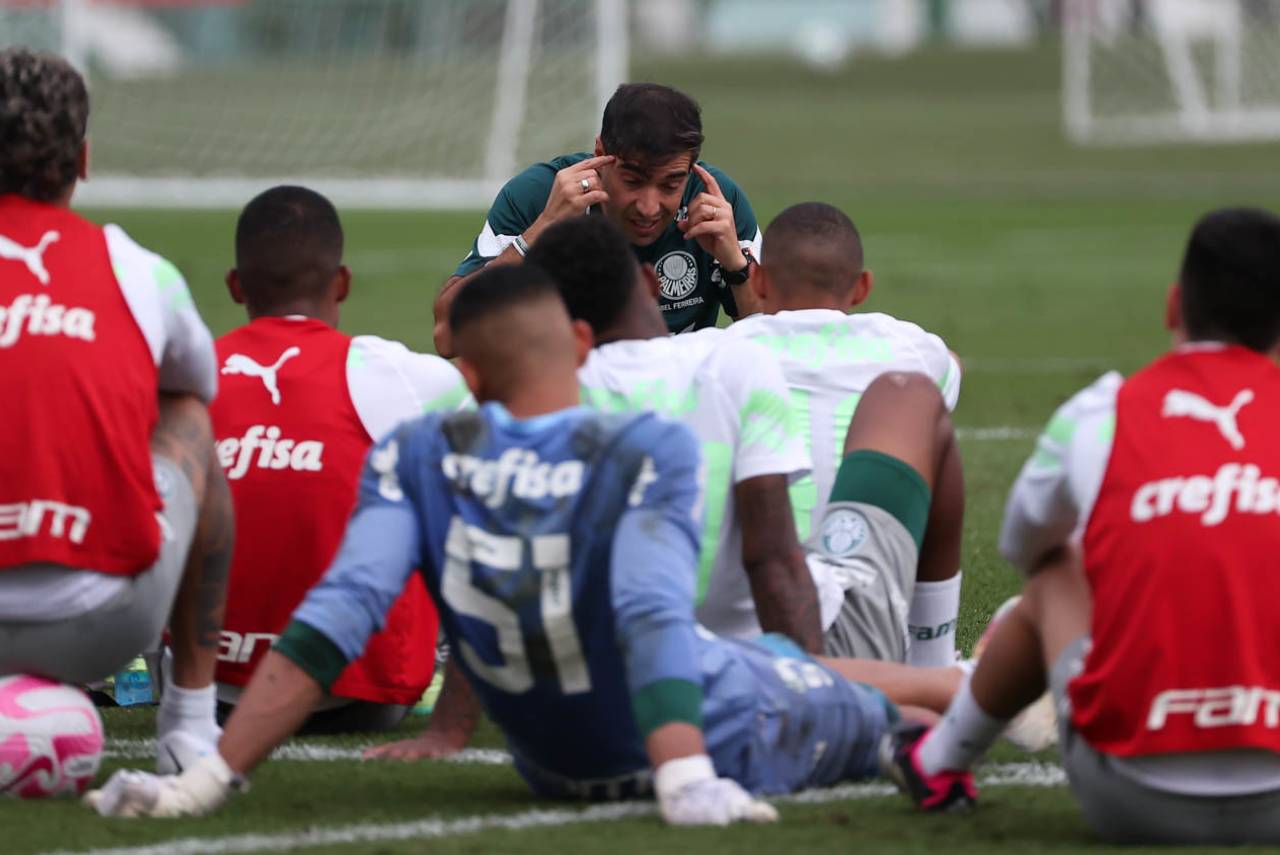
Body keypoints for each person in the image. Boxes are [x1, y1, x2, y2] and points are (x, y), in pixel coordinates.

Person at [86, 265, 965, 822]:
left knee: (773, 664)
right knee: (911, 719)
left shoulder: (422, 451)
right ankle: (973, 689)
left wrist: (203, 778)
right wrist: (686, 774)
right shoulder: (639, 447)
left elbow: (336, 614)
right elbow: (651, 612)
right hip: (708, 723)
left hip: (553, 760)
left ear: (466, 375)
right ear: (581, 344)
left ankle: (958, 680)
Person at [884, 207, 1280, 844]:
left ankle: (938, 762)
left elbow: (1024, 545)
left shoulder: (1104, 410)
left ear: (1175, 305)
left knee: (1056, 570)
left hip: (1130, 796)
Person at [371, 215, 817, 761]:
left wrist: (448, 732)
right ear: (651, 285)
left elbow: (492, 571)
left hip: (578, 711)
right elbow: (775, 559)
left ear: (552, 314)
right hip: (729, 689)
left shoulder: (523, 396)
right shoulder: (736, 361)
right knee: (905, 702)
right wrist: (812, 696)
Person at [0, 47, 229, 772]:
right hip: (97, 621)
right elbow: (200, 381)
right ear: (85, 159)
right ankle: (188, 725)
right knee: (189, 415)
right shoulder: (136, 268)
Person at [211, 185, 469, 733]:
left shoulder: (194, 373)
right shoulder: (399, 374)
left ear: (236, 287)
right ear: (342, 283)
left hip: (212, 689)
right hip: (361, 694)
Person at [728, 203, 964, 668]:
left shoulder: (711, 352)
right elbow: (951, 368)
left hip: (742, 625)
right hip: (859, 619)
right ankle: (934, 661)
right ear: (862, 287)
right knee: (925, 407)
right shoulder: (907, 345)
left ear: (757, 281)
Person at [432, 82, 762, 355]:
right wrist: (540, 230)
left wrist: (736, 265)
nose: (648, 207)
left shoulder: (716, 203)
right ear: (600, 155)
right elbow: (448, 336)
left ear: (691, 169)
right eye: (633, 181)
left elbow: (778, 348)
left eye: (670, 184)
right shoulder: (539, 195)